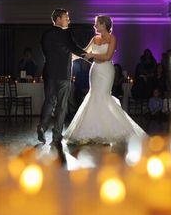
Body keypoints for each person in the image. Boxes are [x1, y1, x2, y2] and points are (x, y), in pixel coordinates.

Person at [63, 15, 147, 144]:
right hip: (95, 70)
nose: (94, 25)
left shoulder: (112, 38)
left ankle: (116, 131)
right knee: (93, 97)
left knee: (103, 97)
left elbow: (108, 56)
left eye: (97, 23)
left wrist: (92, 55)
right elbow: (85, 53)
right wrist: (68, 57)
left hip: (106, 71)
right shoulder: (94, 38)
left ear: (104, 25)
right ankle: (94, 132)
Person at [38, 9, 87, 143]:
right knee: (62, 105)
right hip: (63, 74)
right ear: (58, 19)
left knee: (49, 102)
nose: (68, 20)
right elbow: (74, 48)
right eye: (66, 17)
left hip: (49, 72)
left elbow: (47, 52)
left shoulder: (46, 34)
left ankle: (42, 127)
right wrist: (88, 56)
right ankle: (57, 134)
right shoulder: (65, 34)